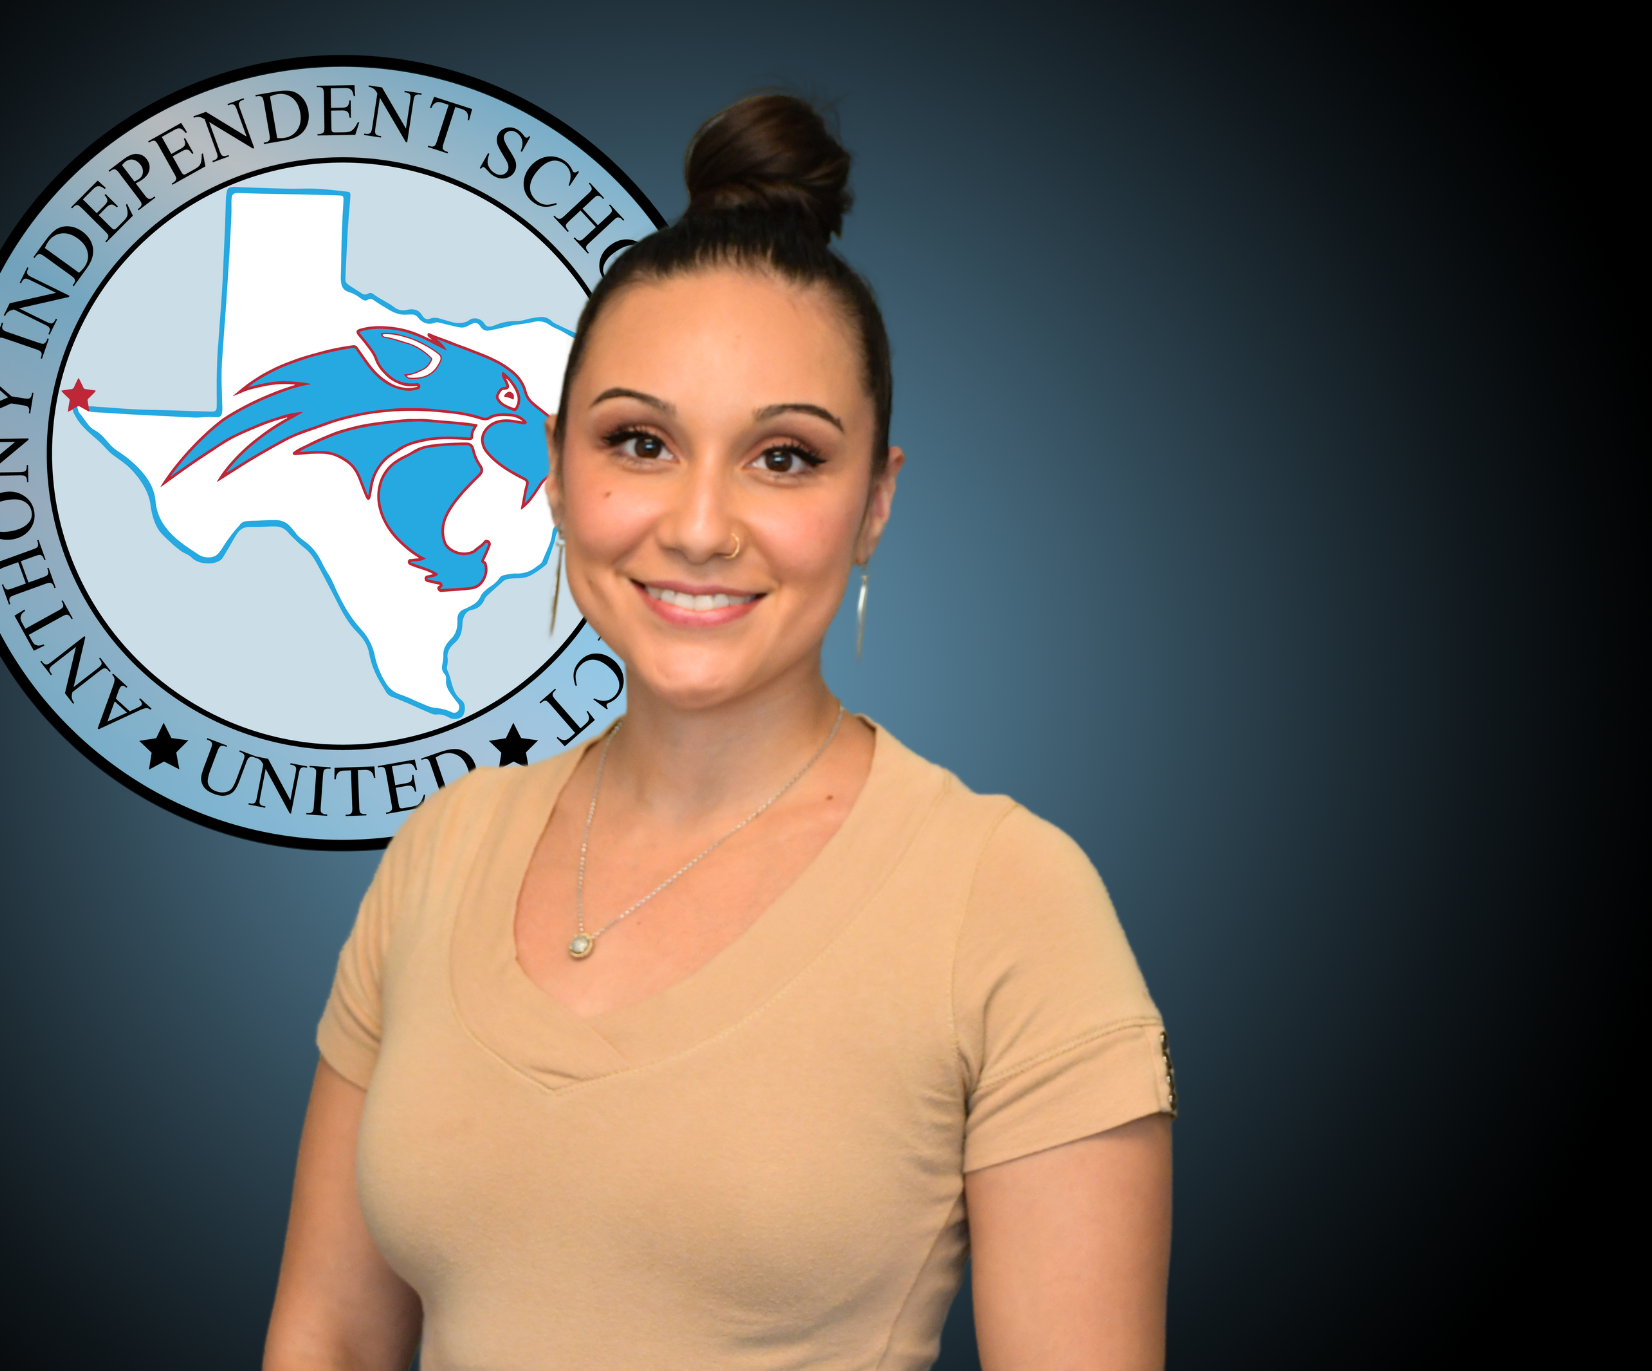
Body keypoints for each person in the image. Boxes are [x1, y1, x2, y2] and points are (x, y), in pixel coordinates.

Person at [263, 93, 1175, 1371]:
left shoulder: (1008, 898)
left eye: (785, 459)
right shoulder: (445, 848)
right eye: (640, 442)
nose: (698, 525)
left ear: (874, 505)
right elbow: (329, 1340)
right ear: (560, 471)